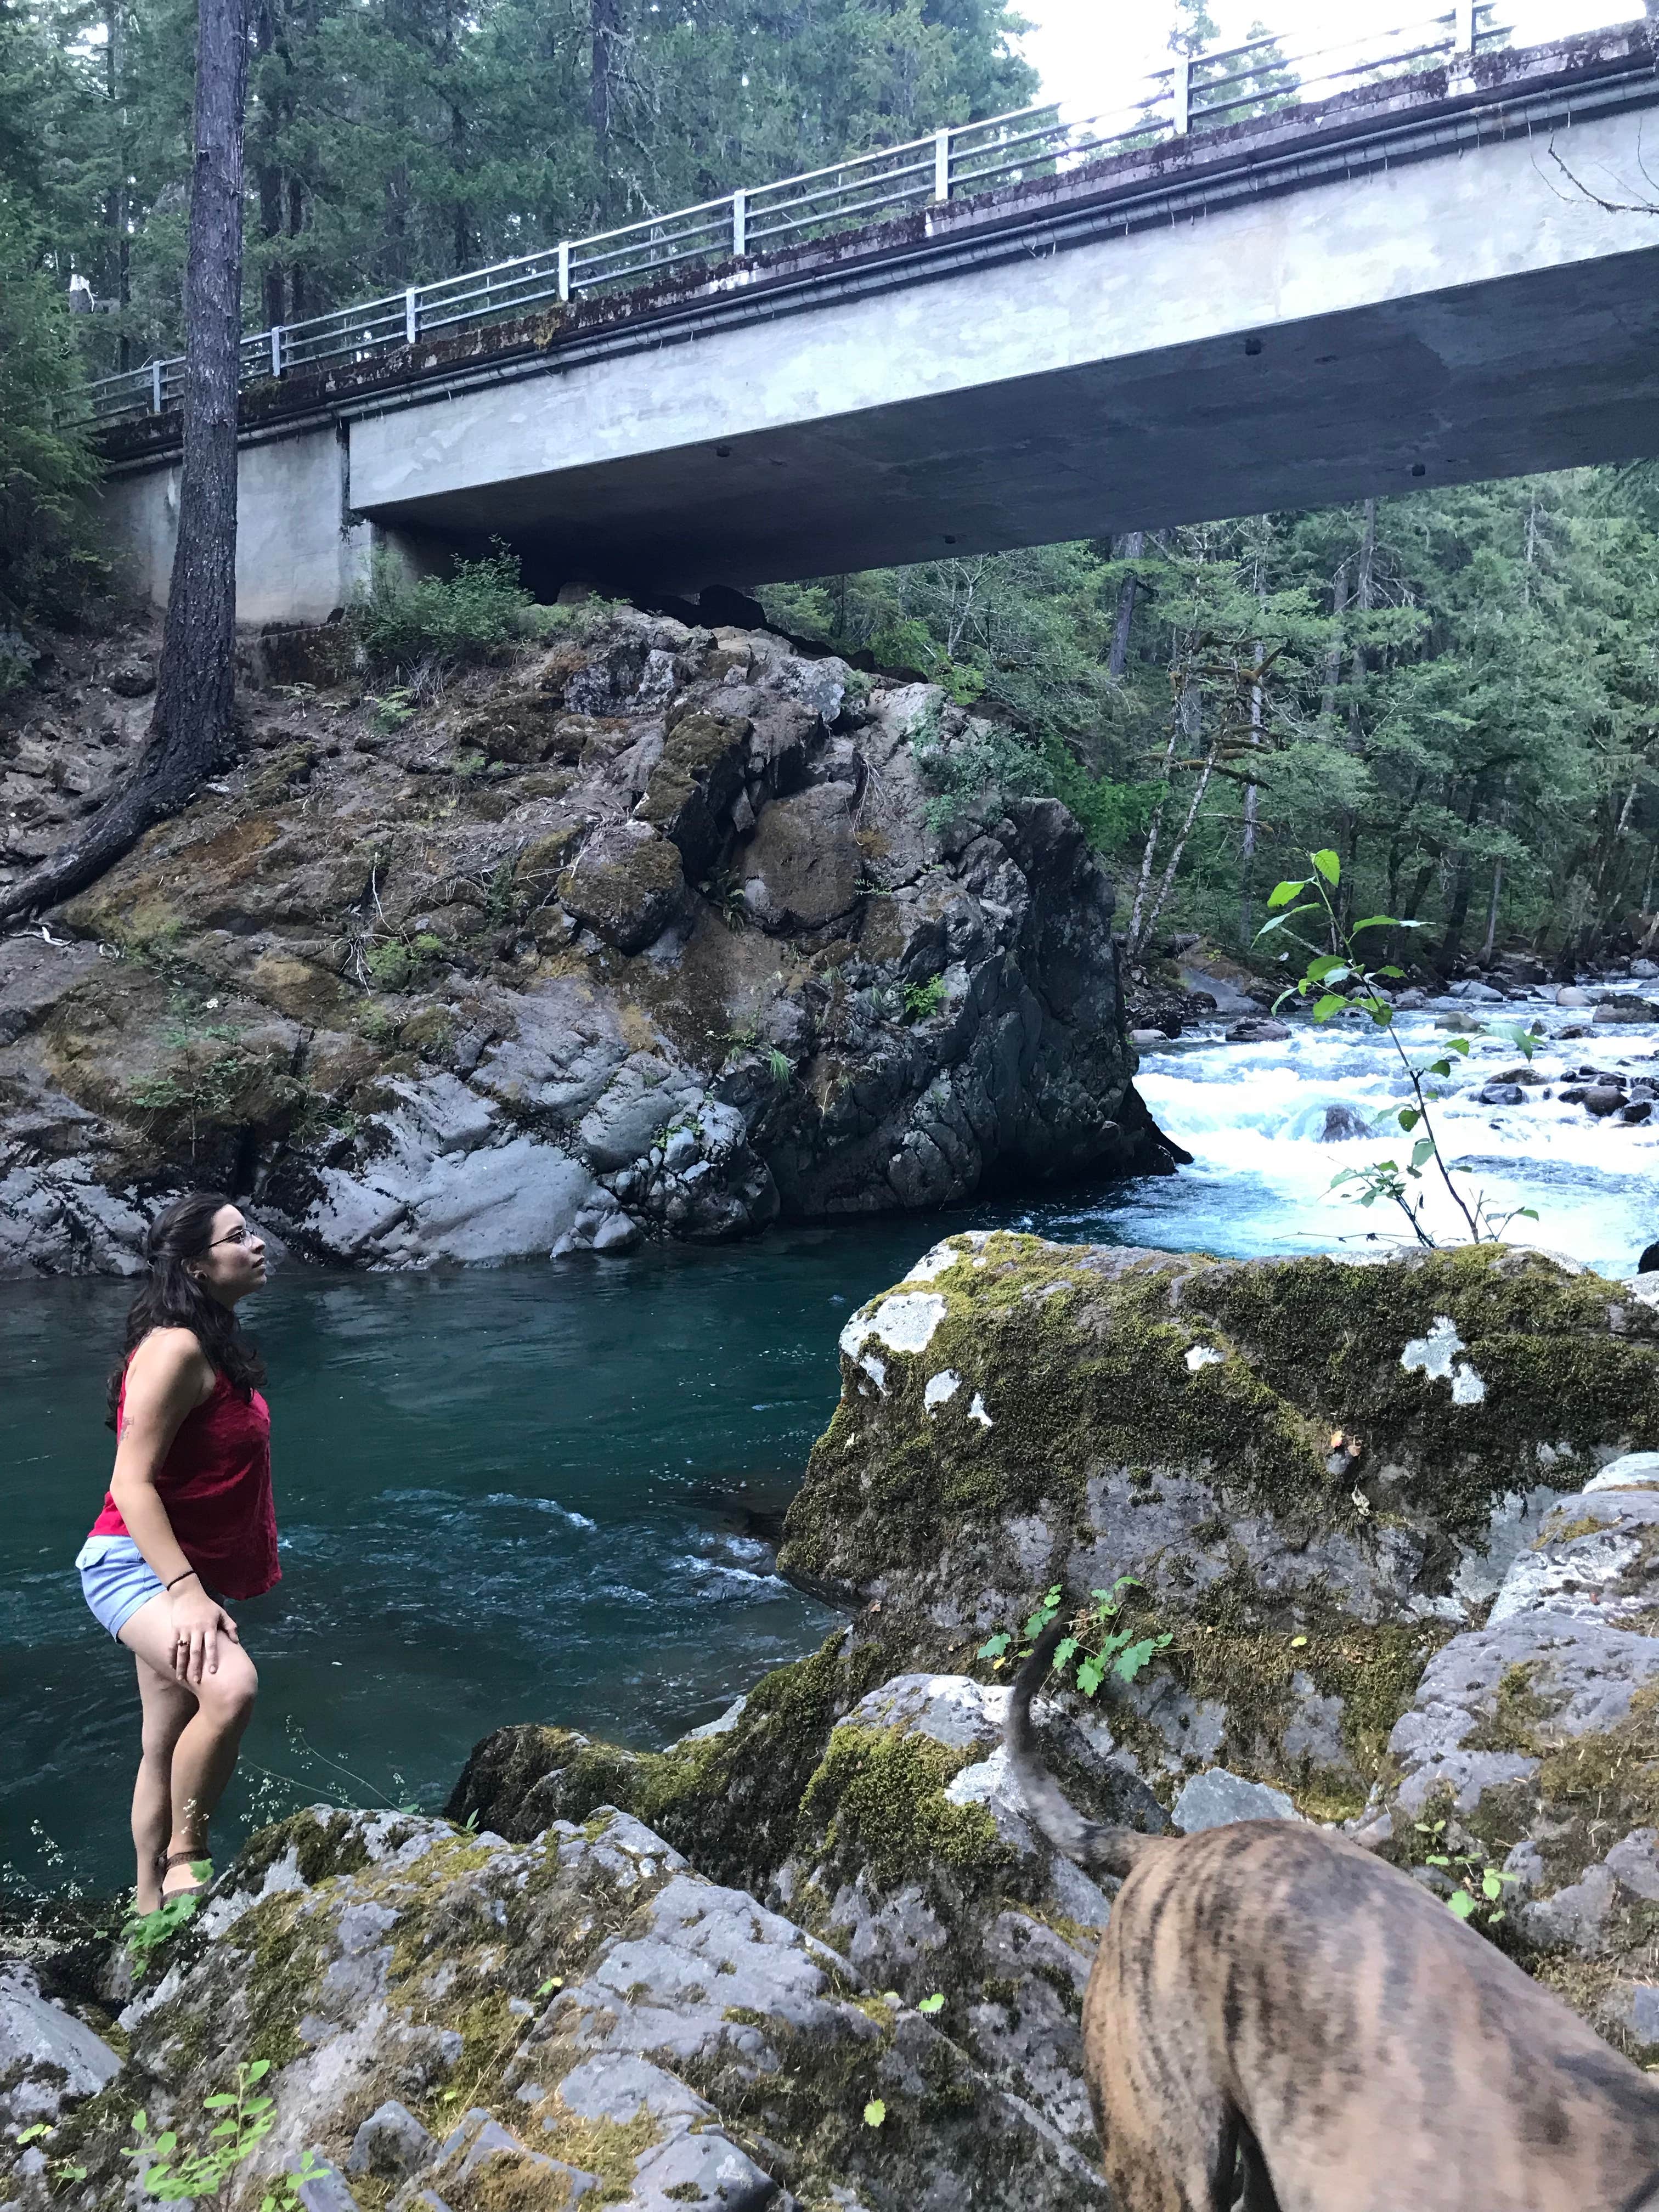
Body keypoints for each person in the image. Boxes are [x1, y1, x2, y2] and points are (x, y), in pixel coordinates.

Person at [74, 1192, 278, 1913]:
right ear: (195, 1263)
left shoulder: (205, 1340)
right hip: (135, 1565)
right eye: (237, 1237)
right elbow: (129, 1486)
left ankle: (145, 1906)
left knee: (162, 1741)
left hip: (172, 1567)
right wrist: (190, 1593)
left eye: (251, 1233)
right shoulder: (175, 1348)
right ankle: (188, 1859)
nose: (256, 1245)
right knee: (230, 1690)